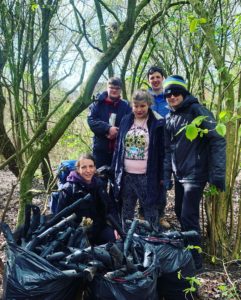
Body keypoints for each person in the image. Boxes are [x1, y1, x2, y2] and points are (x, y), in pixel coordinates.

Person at [163, 75, 226, 270]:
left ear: (183, 93)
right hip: (179, 173)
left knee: (188, 216)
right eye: (168, 94)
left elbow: (218, 139)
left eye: (176, 92)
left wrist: (217, 175)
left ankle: (195, 263)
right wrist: (166, 176)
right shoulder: (170, 117)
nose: (172, 96)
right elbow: (167, 150)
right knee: (180, 212)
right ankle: (189, 253)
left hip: (195, 173)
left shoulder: (197, 111)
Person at [112, 89, 165, 231]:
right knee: (126, 211)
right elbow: (118, 148)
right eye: (136, 106)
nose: (139, 109)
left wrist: (163, 175)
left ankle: (152, 240)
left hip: (147, 176)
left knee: (150, 210)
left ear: (149, 105)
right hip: (126, 175)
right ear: (132, 106)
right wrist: (115, 170)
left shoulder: (157, 123)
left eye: (142, 106)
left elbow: (162, 152)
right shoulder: (125, 120)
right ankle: (127, 241)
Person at [56, 153, 116, 245]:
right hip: (77, 232)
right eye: (84, 167)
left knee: (114, 243)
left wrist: (116, 228)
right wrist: (77, 228)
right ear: (78, 169)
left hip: (99, 228)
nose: (88, 170)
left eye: (91, 166)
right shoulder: (68, 189)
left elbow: (110, 208)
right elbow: (60, 217)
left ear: (95, 168)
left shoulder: (99, 184)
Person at [87, 77, 131, 168]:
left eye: (117, 88)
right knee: (99, 178)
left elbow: (131, 123)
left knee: (117, 179)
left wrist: (117, 132)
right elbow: (91, 121)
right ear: (107, 88)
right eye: (111, 88)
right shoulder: (97, 104)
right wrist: (108, 128)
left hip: (120, 151)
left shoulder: (126, 106)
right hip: (100, 151)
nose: (114, 90)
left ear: (121, 90)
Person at [146, 66, 170, 228]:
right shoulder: (145, 98)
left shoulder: (170, 96)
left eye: (157, 77)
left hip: (167, 145)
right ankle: (144, 212)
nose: (155, 80)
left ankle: (160, 215)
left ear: (163, 78)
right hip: (148, 145)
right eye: (152, 77)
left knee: (163, 179)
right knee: (146, 179)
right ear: (148, 80)